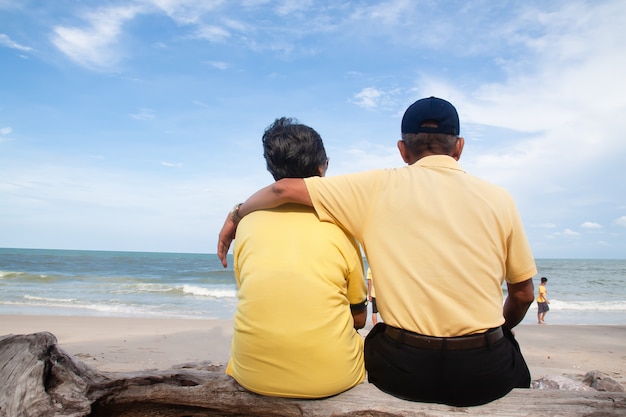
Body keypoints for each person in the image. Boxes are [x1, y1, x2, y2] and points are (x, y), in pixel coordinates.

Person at [218, 97, 537, 406]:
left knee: (373, 342)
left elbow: (282, 189)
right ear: (459, 146)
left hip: (404, 371)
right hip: (482, 373)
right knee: (511, 356)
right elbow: (523, 294)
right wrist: (502, 328)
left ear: (402, 150)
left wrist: (236, 216)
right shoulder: (499, 199)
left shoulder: (374, 187)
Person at [224, 117, 368, 399]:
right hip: (332, 380)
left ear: (271, 169)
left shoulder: (248, 225)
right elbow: (358, 318)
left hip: (251, 375)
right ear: (322, 166)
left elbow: (251, 293)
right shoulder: (340, 225)